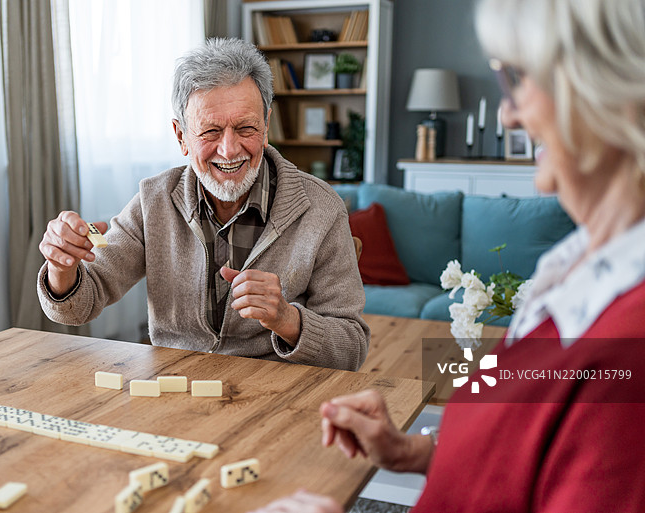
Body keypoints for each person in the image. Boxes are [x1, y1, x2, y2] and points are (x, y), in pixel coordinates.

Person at [251, 0, 645, 511]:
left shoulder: (628, 347)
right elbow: (523, 450)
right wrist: (412, 450)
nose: (508, 112)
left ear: (606, 89)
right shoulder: (573, 267)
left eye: (517, 79)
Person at [37, 38, 369, 371]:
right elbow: (76, 307)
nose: (229, 149)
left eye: (246, 128)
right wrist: (61, 266)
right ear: (180, 136)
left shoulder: (322, 208)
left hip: (279, 399)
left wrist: (286, 319)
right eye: (210, 131)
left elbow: (352, 347)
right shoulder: (153, 201)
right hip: (179, 392)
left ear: (266, 126)